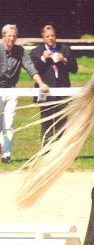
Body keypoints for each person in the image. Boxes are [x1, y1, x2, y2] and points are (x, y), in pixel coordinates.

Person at [0, 24, 49, 163]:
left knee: (9, 123)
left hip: (12, 90)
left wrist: (41, 83)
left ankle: (6, 155)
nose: (12, 38)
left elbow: (30, 68)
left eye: (14, 36)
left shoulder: (20, 51)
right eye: (9, 36)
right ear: (3, 36)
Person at [30, 24, 78, 143]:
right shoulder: (36, 51)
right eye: (47, 36)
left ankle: (60, 152)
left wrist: (64, 60)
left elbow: (75, 69)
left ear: (55, 36)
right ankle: (45, 152)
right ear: (43, 38)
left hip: (62, 91)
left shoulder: (65, 49)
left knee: (61, 123)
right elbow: (33, 69)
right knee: (46, 123)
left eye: (52, 35)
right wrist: (43, 58)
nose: (50, 38)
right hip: (45, 92)